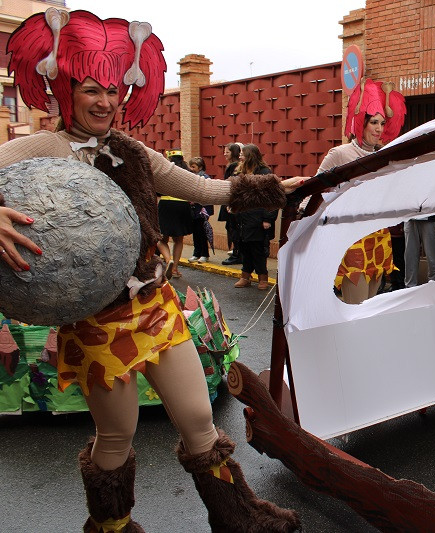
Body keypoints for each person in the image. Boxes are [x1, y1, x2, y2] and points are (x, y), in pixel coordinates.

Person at [0, 9, 303, 531]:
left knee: (200, 421)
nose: (105, 101)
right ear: (66, 92)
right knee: (118, 436)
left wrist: (275, 189)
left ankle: (238, 518)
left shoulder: (131, 151)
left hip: (156, 308)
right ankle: (111, 528)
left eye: (113, 91)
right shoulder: (41, 148)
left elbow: (202, 188)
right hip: (97, 323)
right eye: (92, 89)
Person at [316, 78, 406, 304]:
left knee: (367, 309)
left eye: (382, 123)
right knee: (354, 310)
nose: (379, 129)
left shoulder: (385, 157)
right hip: (351, 238)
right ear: (361, 123)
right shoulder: (340, 154)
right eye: (374, 122)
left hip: (378, 237)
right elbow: (315, 187)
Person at [233, 144, 276, 290]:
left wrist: (267, 218)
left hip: (258, 219)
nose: (239, 156)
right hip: (243, 218)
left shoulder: (265, 172)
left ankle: (263, 279)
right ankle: (245, 277)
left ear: (250, 155)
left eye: (242, 154)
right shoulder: (241, 172)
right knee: (244, 248)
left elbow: (272, 197)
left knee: (258, 249)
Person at [157, 149, 194, 278]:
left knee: (162, 239)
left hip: (166, 204)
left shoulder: (165, 172)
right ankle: (175, 269)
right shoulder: (187, 172)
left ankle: (168, 260)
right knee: (179, 240)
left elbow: (157, 191)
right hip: (183, 205)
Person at [404, 215, 435, 287]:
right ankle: (409, 289)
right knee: (410, 257)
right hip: (410, 217)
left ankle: (434, 288)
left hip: (431, 217)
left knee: (433, 258)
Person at [187, 156, 214, 263]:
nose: (191, 169)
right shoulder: (192, 177)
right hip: (193, 209)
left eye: (193, 166)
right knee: (196, 232)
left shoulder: (205, 178)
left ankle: (204, 254)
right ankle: (196, 253)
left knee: (202, 232)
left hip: (202, 209)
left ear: (200, 167)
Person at [220, 142, 243, 266]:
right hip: (233, 203)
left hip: (233, 203)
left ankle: (237, 254)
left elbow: (229, 185)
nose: (224, 154)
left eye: (227, 152)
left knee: (234, 229)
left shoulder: (234, 167)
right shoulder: (235, 166)